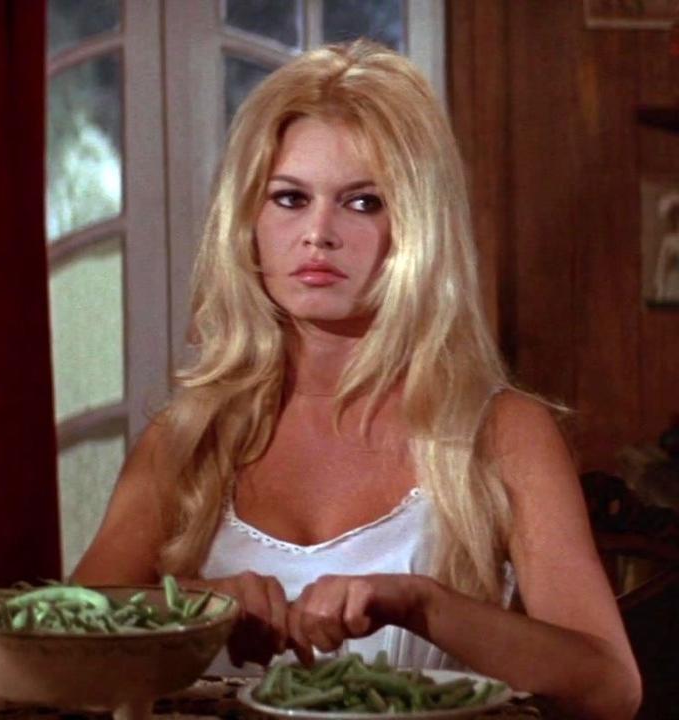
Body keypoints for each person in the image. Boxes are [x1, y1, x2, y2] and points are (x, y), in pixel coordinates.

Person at [73, 40, 641, 719]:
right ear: (248, 223)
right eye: (289, 198)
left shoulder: (499, 432)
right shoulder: (189, 437)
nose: (318, 233)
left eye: (363, 202)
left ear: (416, 228)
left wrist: (425, 605)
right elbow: (61, 650)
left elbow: (611, 688)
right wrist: (192, 609)